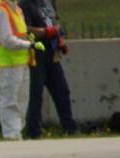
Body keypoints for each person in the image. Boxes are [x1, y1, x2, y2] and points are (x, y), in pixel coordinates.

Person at [19, 0, 78, 138]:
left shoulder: (48, 2)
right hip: (37, 52)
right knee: (36, 93)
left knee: (62, 90)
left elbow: (55, 22)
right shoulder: (24, 5)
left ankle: (69, 127)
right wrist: (46, 32)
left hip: (52, 53)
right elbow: (25, 29)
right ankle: (33, 130)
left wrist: (60, 38)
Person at [0, 0, 44, 140]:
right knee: (10, 100)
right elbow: (7, 40)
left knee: (22, 100)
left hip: (21, 61)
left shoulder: (16, 9)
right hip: (9, 63)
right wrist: (29, 44)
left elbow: (20, 32)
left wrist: (28, 39)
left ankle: (17, 132)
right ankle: (11, 135)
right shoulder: (1, 10)